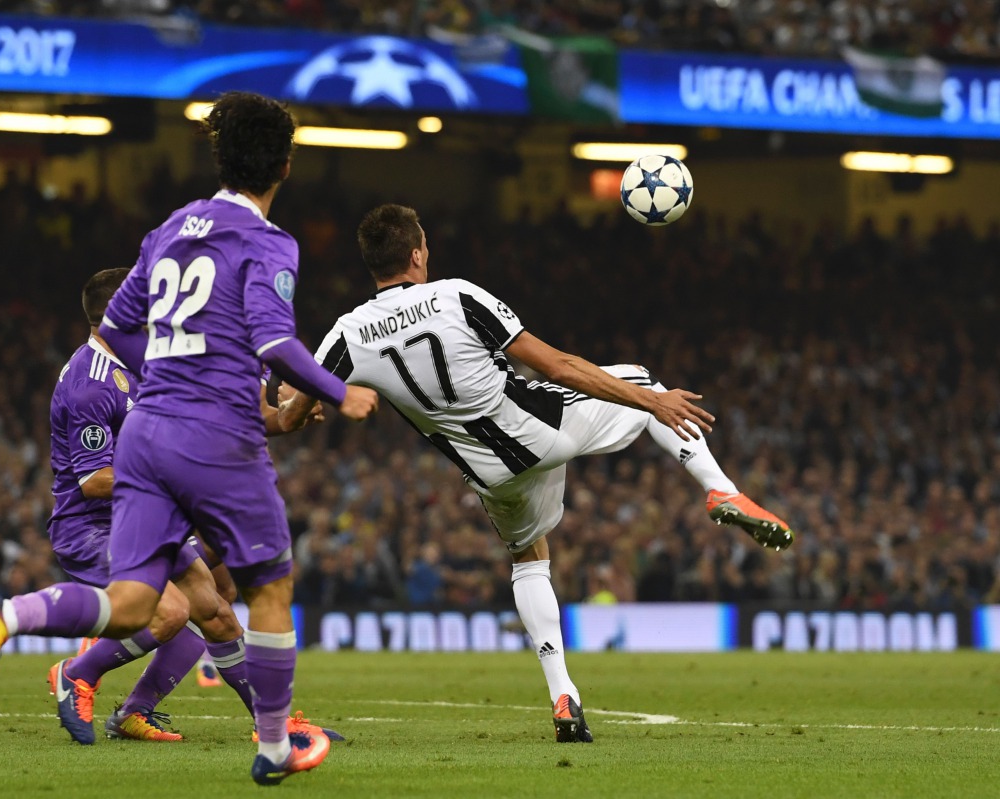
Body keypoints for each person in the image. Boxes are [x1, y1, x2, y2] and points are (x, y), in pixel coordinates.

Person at [0, 92, 377, 785]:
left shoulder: (170, 227)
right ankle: (274, 744)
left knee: (133, 603)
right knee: (270, 583)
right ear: (286, 165)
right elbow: (275, 339)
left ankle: (9, 614)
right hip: (210, 440)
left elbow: (118, 330)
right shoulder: (268, 239)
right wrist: (340, 390)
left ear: (219, 156)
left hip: (146, 436)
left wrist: (190, 364)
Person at [281, 204, 793, 743]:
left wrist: (299, 409)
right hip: (543, 429)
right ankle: (721, 492)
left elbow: (296, 407)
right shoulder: (457, 295)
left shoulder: (346, 334)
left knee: (528, 558)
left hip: (490, 473)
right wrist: (651, 402)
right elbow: (558, 367)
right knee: (643, 381)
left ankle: (563, 695)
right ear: (416, 253)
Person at [42, 267, 261, 745]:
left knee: (216, 610)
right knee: (170, 613)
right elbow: (95, 480)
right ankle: (76, 673)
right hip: (94, 529)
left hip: (146, 523)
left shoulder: (136, 362)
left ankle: (270, 724)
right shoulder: (91, 385)